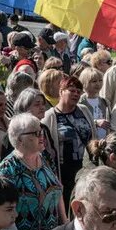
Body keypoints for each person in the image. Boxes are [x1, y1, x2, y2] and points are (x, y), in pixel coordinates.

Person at [0, 112, 65, 230]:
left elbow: (58, 190)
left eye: (42, 131)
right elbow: (2, 211)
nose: (42, 136)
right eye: (36, 133)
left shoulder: (46, 158)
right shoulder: (7, 169)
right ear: (20, 139)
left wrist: (65, 225)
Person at [41, 75, 93, 204]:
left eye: (78, 91)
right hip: (65, 172)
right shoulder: (50, 117)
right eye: (71, 90)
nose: (76, 94)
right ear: (61, 91)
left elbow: (93, 136)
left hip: (87, 167)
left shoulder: (84, 110)